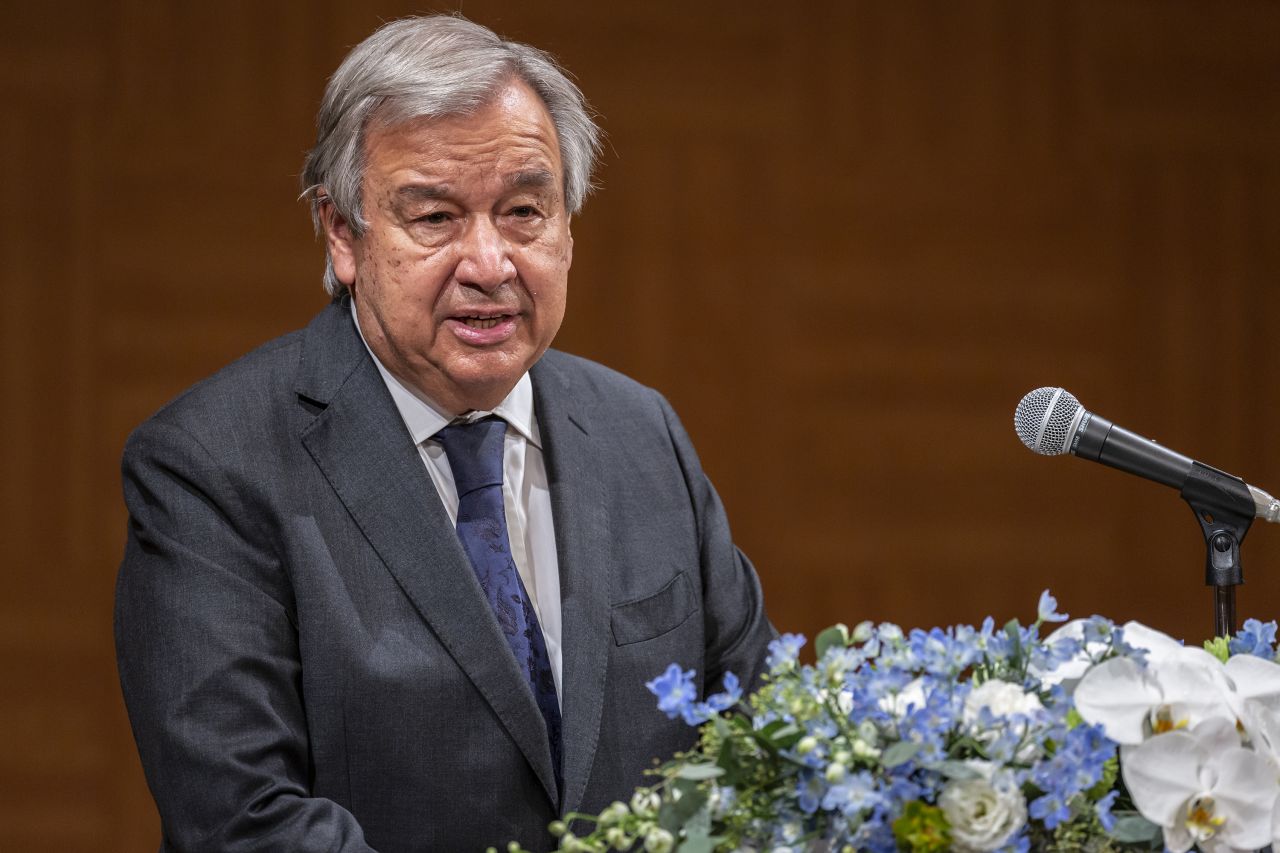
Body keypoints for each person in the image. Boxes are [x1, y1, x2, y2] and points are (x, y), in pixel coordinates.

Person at [114, 15, 775, 853]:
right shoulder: (212, 463)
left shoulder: (641, 433)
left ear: (569, 227)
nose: (490, 263)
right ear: (343, 235)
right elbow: (244, 822)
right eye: (435, 218)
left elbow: (762, 740)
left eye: (525, 211)